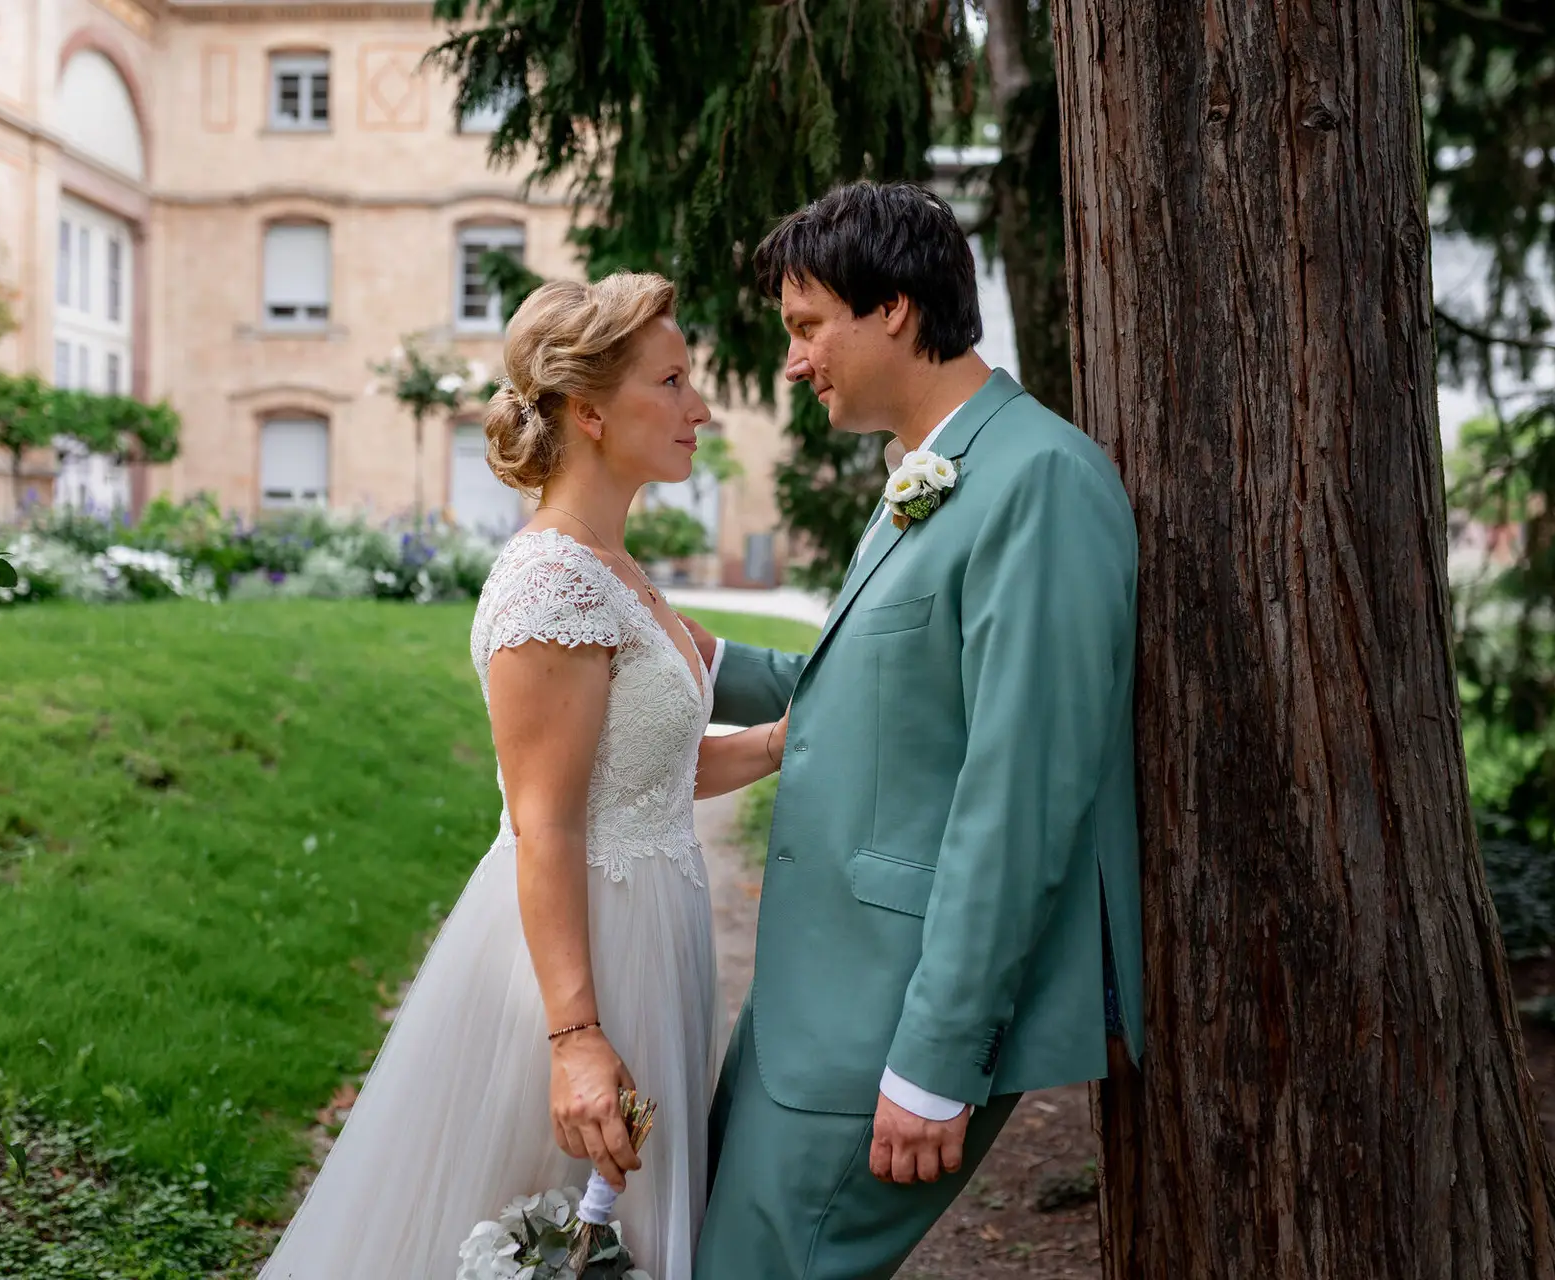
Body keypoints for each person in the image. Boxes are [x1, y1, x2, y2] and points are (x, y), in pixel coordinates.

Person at [258, 272, 785, 1280]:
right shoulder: (551, 579)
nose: (700, 407)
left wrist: (776, 743)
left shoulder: (615, 565)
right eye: (672, 381)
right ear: (589, 409)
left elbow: (641, 775)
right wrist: (579, 1036)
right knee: (530, 1225)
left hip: (650, 934)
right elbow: (547, 823)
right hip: (577, 958)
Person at [686, 181, 1145, 1280]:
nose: (795, 361)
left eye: (807, 325)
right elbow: (882, 689)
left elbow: (1019, 791)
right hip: (814, 1000)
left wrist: (938, 1060)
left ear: (892, 306)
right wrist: (686, 661)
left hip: (889, 1016)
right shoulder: (935, 470)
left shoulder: (1038, 479)